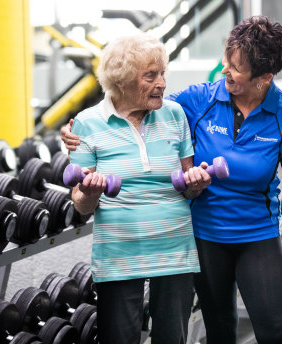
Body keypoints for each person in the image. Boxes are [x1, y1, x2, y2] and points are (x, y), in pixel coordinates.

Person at [63, 15, 282, 344]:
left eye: (235, 68)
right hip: (203, 235)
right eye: (226, 60)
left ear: (264, 77)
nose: (225, 71)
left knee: (276, 330)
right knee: (219, 331)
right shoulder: (196, 101)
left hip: (250, 234)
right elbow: (137, 102)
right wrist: (73, 132)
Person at [67, 33, 211, 344]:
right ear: (121, 81)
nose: (162, 83)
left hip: (175, 249)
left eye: (163, 73)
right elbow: (81, 204)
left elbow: (188, 187)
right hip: (119, 252)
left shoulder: (174, 115)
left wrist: (196, 184)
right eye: (151, 75)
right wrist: (90, 193)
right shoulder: (86, 124)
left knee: (173, 338)